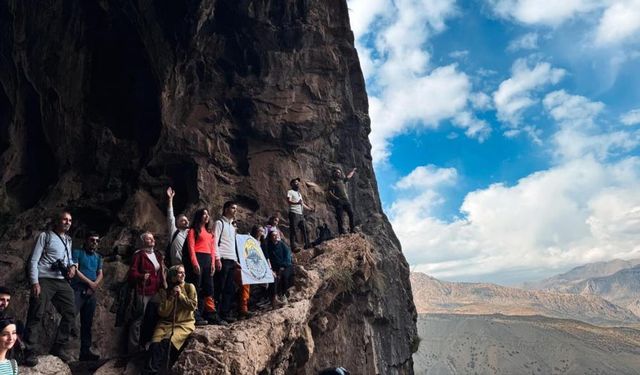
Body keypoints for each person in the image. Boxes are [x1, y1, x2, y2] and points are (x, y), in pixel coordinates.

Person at [23, 211, 77, 366]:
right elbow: (34, 260)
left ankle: (58, 347)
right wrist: (35, 282)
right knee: (36, 313)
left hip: (62, 281)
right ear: (57, 221)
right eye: (65, 219)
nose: (67, 222)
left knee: (70, 312)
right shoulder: (45, 236)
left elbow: (69, 258)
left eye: (70, 220)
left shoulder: (68, 239)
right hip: (44, 279)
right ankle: (29, 350)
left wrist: (72, 266)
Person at [146, 265, 197, 374]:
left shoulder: (189, 287)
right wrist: (172, 297)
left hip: (184, 323)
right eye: (179, 273)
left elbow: (193, 306)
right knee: (154, 345)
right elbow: (163, 312)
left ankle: (150, 372)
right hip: (165, 323)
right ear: (173, 275)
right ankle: (151, 371)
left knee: (166, 343)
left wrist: (181, 296)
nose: (183, 274)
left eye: (183, 272)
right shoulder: (165, 291)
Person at [128, 232, 166, 353]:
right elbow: (132, 273)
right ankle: (133, 348)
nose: (151, 240)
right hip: (143, 290)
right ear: (143, 241)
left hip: (155, 290)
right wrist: (141, 276)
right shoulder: (139, 255)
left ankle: (149, 343)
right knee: (138, 318)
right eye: (148, 239)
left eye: (152, 238)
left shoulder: (158, 255)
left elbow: (161, 271)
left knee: (154, 316)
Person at [185, 209, 224, 326]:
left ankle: (209, 313)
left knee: (208, 287)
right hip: (198, 258)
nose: (207, 216)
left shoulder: (210, 233)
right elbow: (191, 248)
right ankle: (195, 314)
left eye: (208, 214)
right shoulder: (193, 231)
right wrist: (195, 263)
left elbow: (212, 250)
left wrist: (212, 263)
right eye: (204, 214)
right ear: (199, 216)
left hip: (208, 260)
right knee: (196, 286)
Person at [71, 232, 103, 361]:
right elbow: (75, 271)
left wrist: (94, 285)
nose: (94, 243)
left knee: (87, 323)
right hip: (78, 290)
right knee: (69, 317)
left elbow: (100, 273)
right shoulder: (77, 252)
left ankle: (85, 351)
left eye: (97, 241)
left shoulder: (98, 257)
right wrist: (91, 283)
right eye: (92, 240)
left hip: (91, 293)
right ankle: (58, 348)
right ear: (86, 240)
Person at [213, 201, 239, 323]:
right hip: (222, 259)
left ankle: (225, 313)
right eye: (233, 208)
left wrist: (236, 260)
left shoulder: (232, 227)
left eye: (235, 208)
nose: (235, 210)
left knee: (229, 288)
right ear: (226, 209)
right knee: (219, 287)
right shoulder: (219, 223)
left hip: (231, 260)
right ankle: (215, 315)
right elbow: (215, 242)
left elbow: (233, 245)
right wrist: (217, 258)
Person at [265, 230, 294, 304]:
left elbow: (288, 257)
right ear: (270, 237)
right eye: (274, 235)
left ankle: (283, 295)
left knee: (284, 276)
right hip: (275, 268)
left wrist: (282, 266)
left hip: (286, 266)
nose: (276, 236)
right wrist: (272, 269)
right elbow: (268, 259)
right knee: (273, 278)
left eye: (277, 234)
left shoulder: (282, 245)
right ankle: (273, 298)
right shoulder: (268, 247)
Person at [327, 167, 357, 234]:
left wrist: (353, 171)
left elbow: (349, 176)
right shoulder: (332, 182)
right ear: (334, 173)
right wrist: (336, 198)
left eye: (339, 172)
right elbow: (329, 191)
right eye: (337, 172)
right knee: (339, 217)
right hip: (339, 201)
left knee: (351, 213)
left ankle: (352, 229)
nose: (338, 173)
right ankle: (341, 232)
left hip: (346, 200)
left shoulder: (342, 180)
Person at [166, 187, 190, 267]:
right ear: (177, 223)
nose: (186, 222)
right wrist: (170, 199)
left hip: (189, 266)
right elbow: (170, 216)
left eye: (187, 220)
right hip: (177, 265)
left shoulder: (191, 233)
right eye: (183, 220)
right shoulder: (174, 231)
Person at [286, 178, 312, 249]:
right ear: (292, 184)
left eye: (298, 183)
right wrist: (296, 203)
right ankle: (293, 246)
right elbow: (288, 201)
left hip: (300, 214)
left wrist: (310, 209)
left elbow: (302, 204)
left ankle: (307, 244)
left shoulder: (299, 194)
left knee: (306, 229)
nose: (297, 184)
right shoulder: (290, 192)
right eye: (295, 183)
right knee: (293, 230)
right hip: (293, 213)